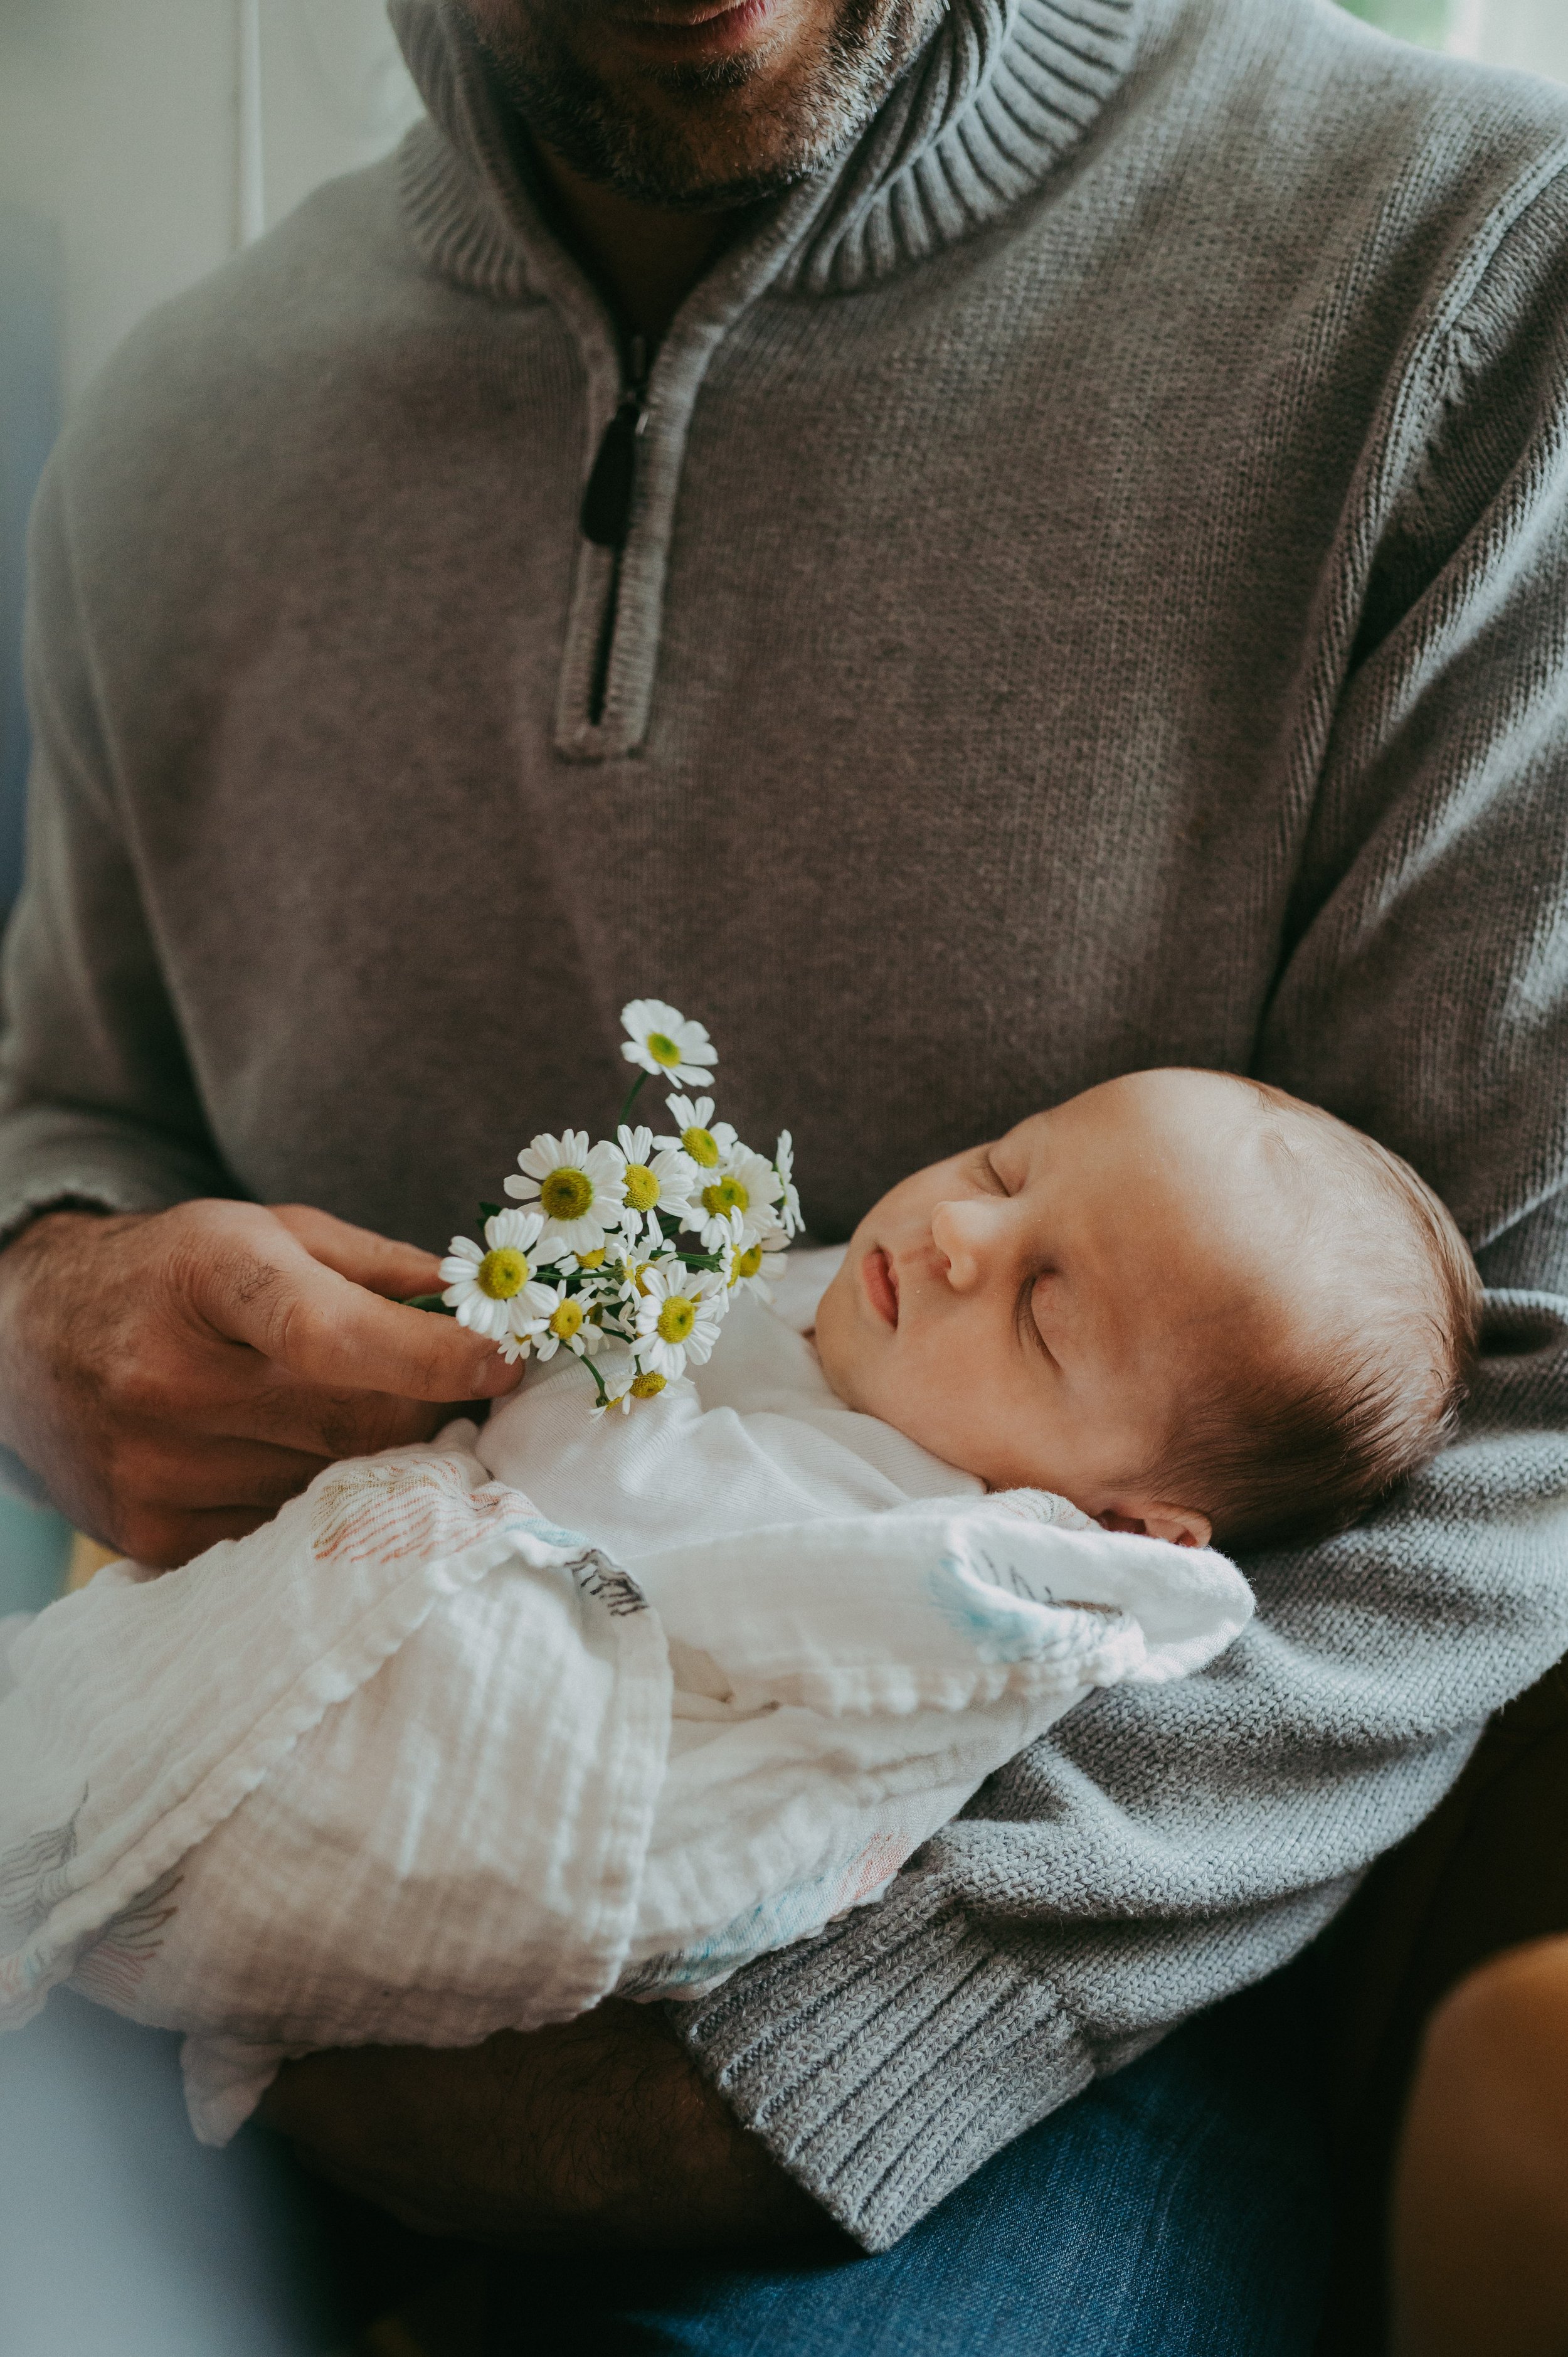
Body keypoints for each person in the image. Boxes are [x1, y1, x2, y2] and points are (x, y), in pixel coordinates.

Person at [1, 0, 1566, 2345]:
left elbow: (1516, 1381)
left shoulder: (1459, 277)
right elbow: (73, 1112)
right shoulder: (165, 437)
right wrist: (57, 1302)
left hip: (1022, 2007)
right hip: (202, 1835)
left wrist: (820, 2056)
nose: (953, 1229)